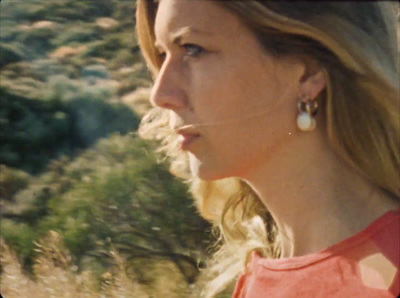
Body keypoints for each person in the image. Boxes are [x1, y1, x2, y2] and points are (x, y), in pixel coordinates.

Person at [135, 1, 400, 297]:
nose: (160, 94)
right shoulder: (262, 273)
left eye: (193, 49)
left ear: (307, 73)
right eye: (161, 54)